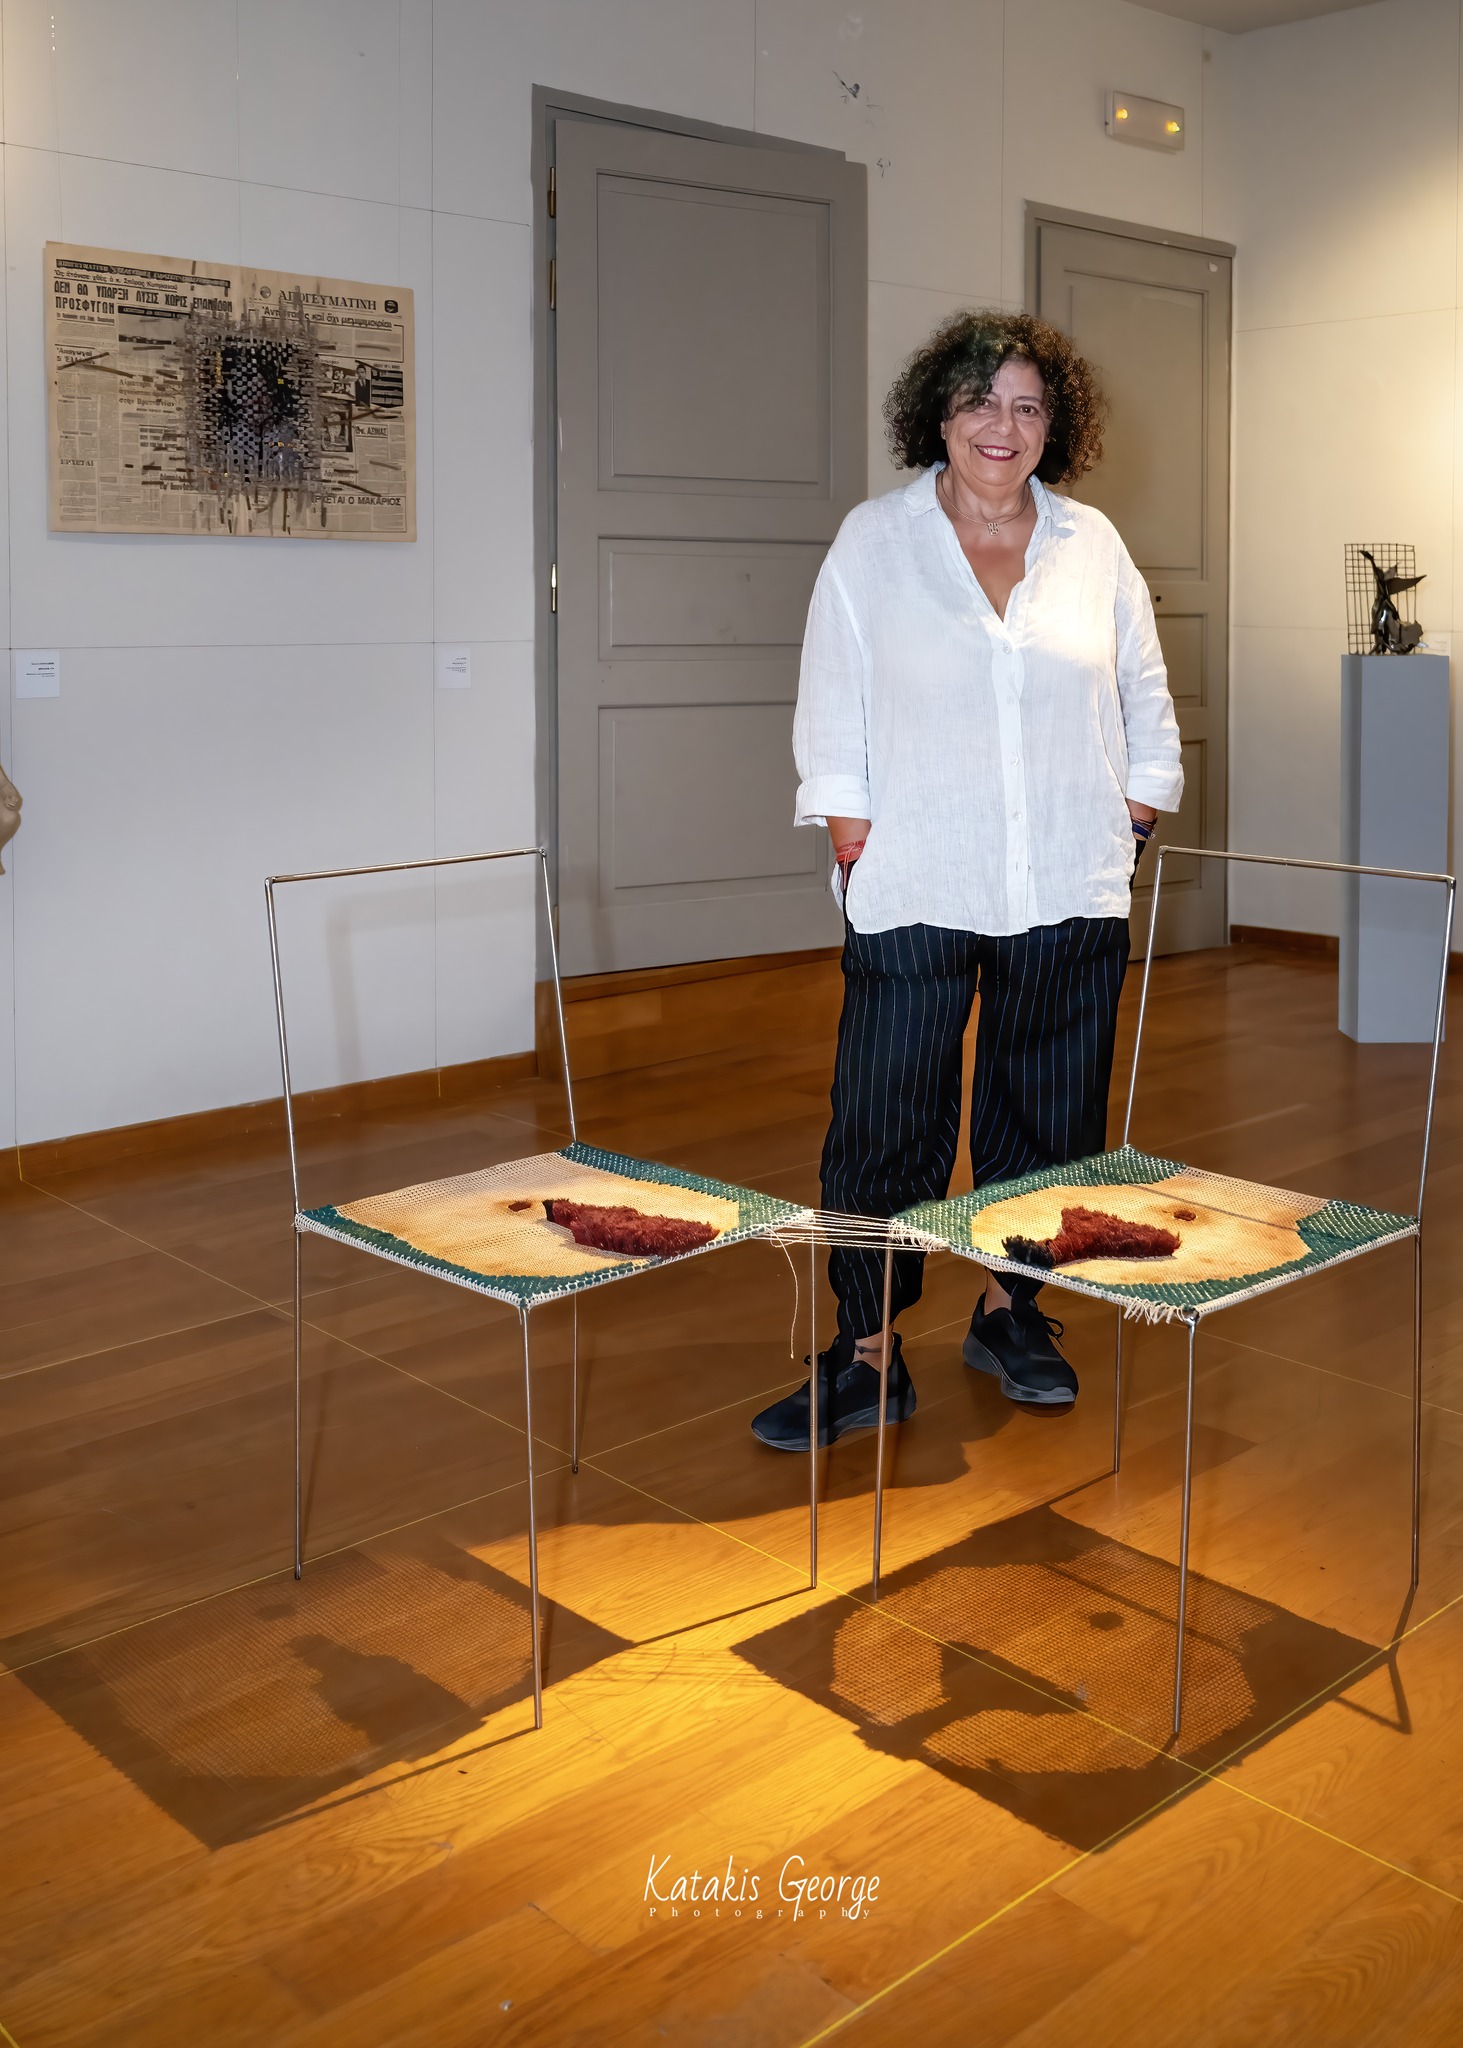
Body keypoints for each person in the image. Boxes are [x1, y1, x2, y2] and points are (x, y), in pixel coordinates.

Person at [752, 309, 1183, 1452]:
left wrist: (1134, 815)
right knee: (882, 1127)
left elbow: (1143, 691)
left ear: (1055, 425)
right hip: (915, 873)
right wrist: (852, 839)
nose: (1003, 424)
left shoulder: (1091, 544)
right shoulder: (874, 542)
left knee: (1045, 1121)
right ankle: (863, 1353)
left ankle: (1008, 1310)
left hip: (1065, 878)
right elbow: (829, 702)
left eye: (1027, 405)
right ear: (936, 415)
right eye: (980, 400)